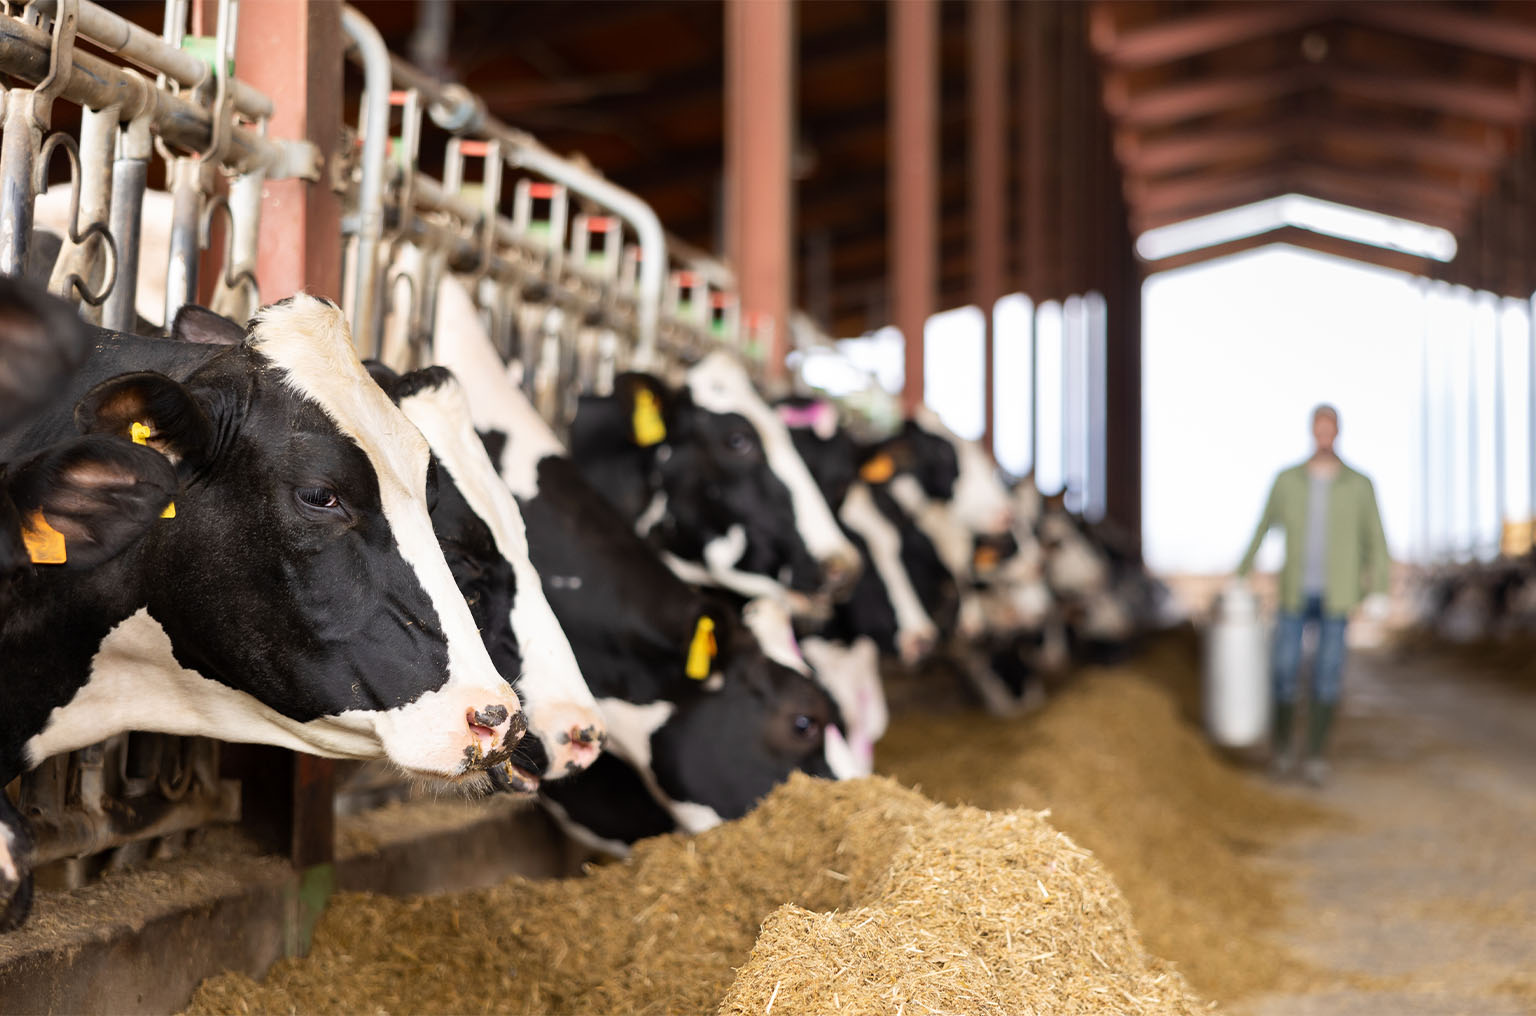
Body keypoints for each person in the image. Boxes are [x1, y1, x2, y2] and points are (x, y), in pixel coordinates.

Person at [1237, 404, 1390, 786]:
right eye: (1319, 430)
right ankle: (1283, 751)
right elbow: (1263, 526)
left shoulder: (1359, 484)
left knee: (1327, 674)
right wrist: (1241, 572)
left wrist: (1379, 589)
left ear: (1337, 433)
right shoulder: (1288, 480)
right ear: (1311, 432)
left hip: (1339, 595)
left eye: (1330, 430)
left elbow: (1376, 538)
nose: (1324, 437)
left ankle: (1317, 756)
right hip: (1294, 592)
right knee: (1285, 669)